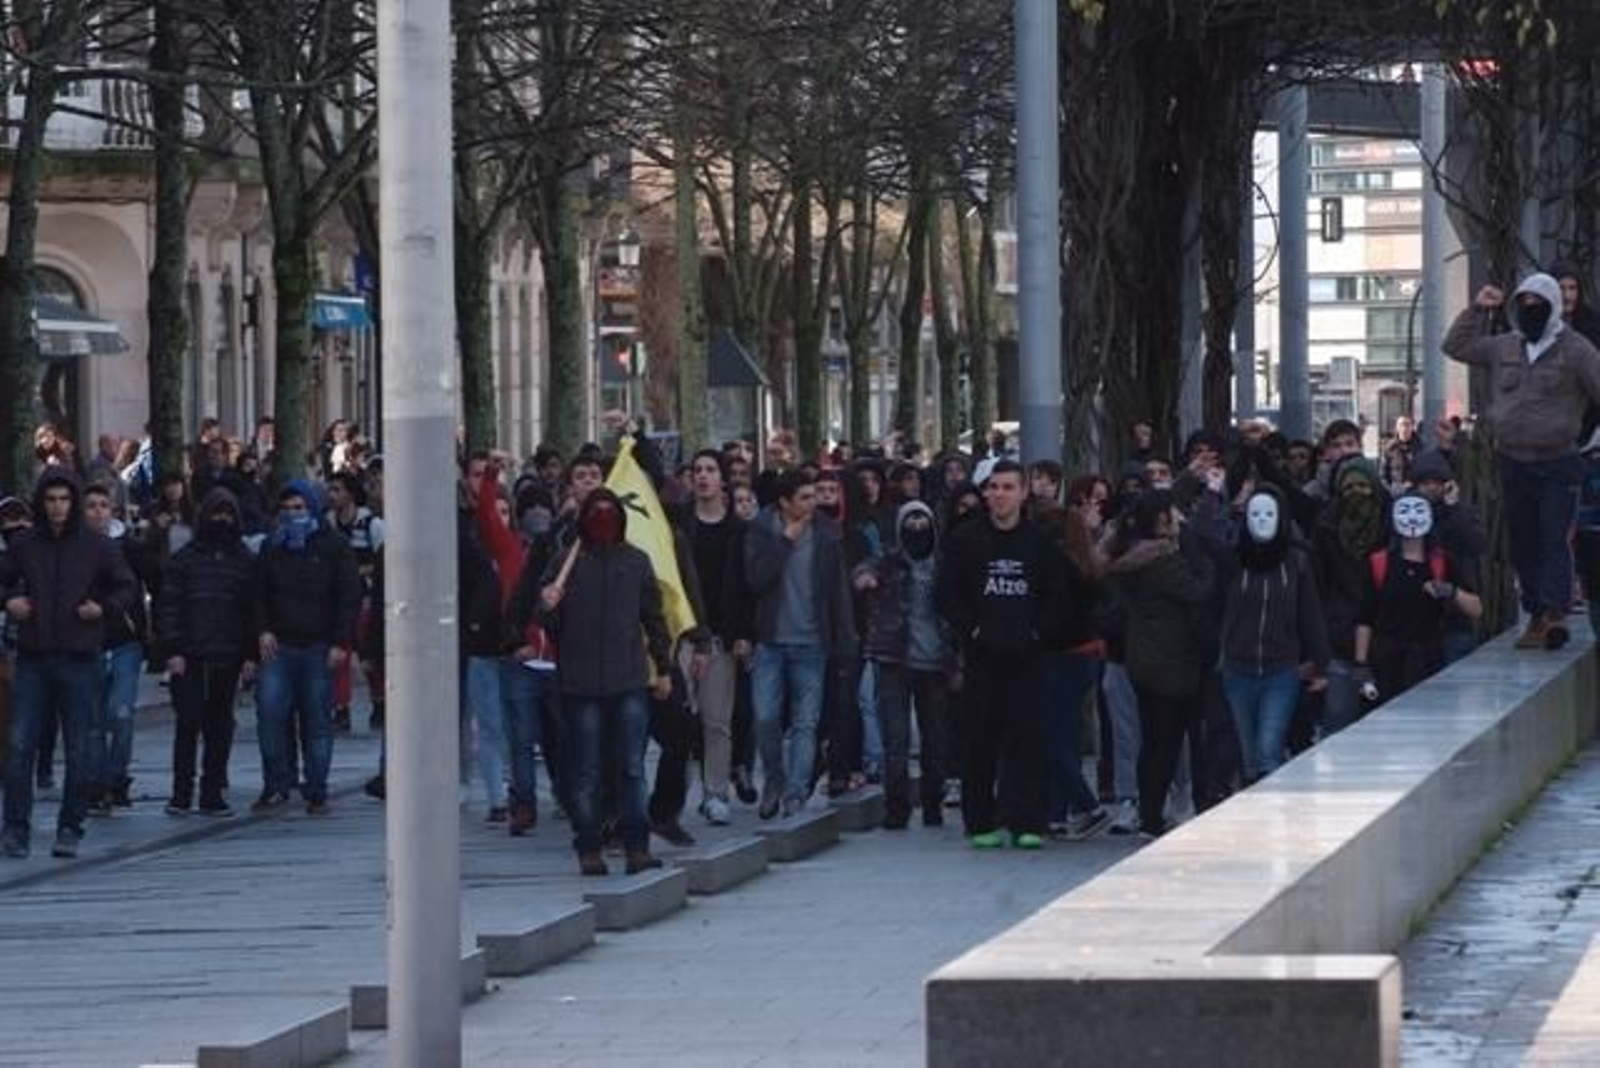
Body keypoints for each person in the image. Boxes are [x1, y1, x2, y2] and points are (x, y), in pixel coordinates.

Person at [1444, 274, 1600, 648]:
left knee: (1554, 539)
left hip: (1559, 461)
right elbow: (1456, 345)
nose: (1530, 311)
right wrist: (1479, 309)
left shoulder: (1576, 350)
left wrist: (1590, 438)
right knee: (1523, 542)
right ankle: (1536, 612)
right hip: (1513, 460)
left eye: (1537, 304)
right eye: (1523, 304)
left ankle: (1553, 613)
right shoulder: (1505, 347)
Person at [0, 470, 136, 859]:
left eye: (63, 499)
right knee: (20, 744)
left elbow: (126, 586)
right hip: (34, 656)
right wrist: (9, 601)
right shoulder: (25, 545)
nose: (58, 507)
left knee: (80, 748)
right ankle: (15, 827)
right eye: (51, 500)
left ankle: (70, 826)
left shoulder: (96, 546)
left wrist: (103, 609)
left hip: (79, 656)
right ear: (41, 504)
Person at [539, 489, 675, 876]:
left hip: (628, 679)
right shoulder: (567, 563)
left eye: (609, 513)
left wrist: (662, 667)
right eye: (595, 513)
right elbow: (548, 624)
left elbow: (654, 618)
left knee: (632, 766)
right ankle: (589, 845)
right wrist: (548, 604)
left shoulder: (635, 562)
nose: (602, 520)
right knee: (588, 770)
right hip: (580, 684)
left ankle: (637, 846)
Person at [936, 460, 1064, 850]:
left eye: (1008, 487)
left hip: (1027, 656)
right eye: (993, 488)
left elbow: (1056, 597)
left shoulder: (1040, 542)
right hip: (982, 656)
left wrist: (1037, 631)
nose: (999, 495)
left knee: (1029, 739)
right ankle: (980, 821)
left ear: (1024, 492)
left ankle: (1029, 821)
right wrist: (972, 628)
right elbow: (947, 595)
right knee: (980, 742)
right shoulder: (965, 540)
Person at [743, 470, 857, 819]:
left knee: (806, 724)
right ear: (785, 502)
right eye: (805, 497)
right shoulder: (762, 530)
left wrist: (844, 644)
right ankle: (774, 780)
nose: (814, 503)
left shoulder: (826, 534)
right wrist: (785, 543)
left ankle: (795, 793)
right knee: (765, 718)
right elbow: (755, 580)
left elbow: (839, 594)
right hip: (771, 642)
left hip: (812, 643)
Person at [1106, 490, 1213, 839]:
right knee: (1166, 743)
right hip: (1172, 660)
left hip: (1142, 658)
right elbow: (1198, 591)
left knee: (1151, 741)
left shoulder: (1130, 558)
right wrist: (1206, 563)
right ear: (1162, 519)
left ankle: (1148, 811)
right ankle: (1153, 817)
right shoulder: (1164, 561)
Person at [252, 480, 361, 815]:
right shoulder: (272, 547)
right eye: (286, 509)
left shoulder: (334, 546)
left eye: (298, 508)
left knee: (316, 721)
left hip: (318, 645)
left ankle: (316, 788)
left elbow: (348, 596)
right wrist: (263, 629)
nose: (291, 514)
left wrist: (341, 642)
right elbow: (259, 593)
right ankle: (277, 783)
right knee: (270, 715)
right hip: (280, 645)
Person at [1217, 485, 1330, 784]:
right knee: (1248, 755)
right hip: (1238, 669)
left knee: (1269, 748)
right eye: (1255, 513)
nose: (1262, 520)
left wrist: (1320, 662)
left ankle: (1273, 810)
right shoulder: (1233, 559)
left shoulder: (1296, 561)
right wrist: (1215, 497)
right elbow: (1202, 540)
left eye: (1269, 513)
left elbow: (1310, 614)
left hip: (1281, 671)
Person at [853, 501, 955, 829]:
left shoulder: (943, 564)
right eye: (909, 520)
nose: (915, 527)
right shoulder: (888, 559)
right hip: (892, 658)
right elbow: (862, 569)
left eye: (921, 520)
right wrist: (865, 578)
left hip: (936, 661)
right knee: (895, 740)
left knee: (935, 740)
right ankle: (896, 808)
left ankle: (932, 804)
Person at [158, 489, 259, 816]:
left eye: (228, 515)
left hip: (227, 655)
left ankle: (212, 791)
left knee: (220, 727)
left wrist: (249, 655)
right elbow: (168, 606)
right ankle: (181, 793)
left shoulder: (244, 561)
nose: (222, 521)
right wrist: (172, 648)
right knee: (187, 723)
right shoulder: (185, 560)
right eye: (216, 514)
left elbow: (251, 611)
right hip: (189, 655)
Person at [675, 450, 751, 826]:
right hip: (684, 634)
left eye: (710, 470)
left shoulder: (739, 530)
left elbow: (747, 586)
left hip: (722, 635)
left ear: (723, 479)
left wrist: (744, 634)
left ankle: (716, 791)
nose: (702, 476)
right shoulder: (680, 525)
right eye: (697, 470)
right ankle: (675, 792)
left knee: (717, 719)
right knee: (679, 717)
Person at [1354, 494, 1483, 702]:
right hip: (1387, 663)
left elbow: (1476, 609)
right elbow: (1364, 618)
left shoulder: (1441, 561)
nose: (1412, 518)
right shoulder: (1378, 562)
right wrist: (1361, 665)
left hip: (1429, 660)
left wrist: (1450, 591)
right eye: (1404, 512)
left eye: (1419, 511)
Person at [80, 482, 151, 812]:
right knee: (93, 721)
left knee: (120, 713)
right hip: (88, 642)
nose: (97, 512)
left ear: (113, 510)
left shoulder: (129, 547)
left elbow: (154, 579)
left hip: (125, 641)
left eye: (103, 505)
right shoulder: (74, 547)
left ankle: (116, 777)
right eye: (91, 505)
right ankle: (97, 785)